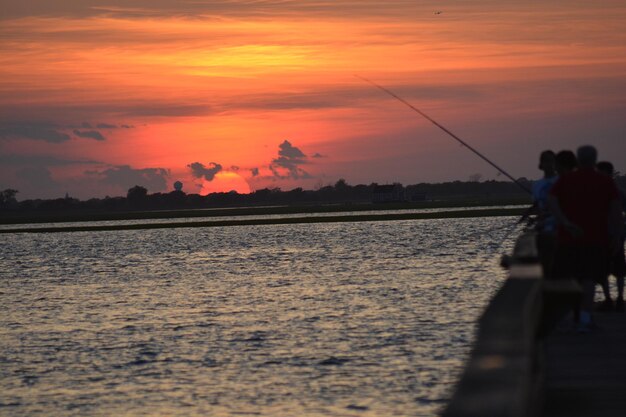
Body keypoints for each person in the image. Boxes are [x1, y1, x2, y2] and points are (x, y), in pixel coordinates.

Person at [548, 145, 623, 332]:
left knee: (571, 279)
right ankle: (585, 319)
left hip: (568, 238)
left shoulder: (566, 180)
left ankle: (572, 318)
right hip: (596, 239)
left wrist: (564, 222)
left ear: (579, 160)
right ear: (595, 160)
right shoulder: (605, 182)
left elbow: (551, 200)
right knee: (589, 279)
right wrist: (618, 235)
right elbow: (616, 211)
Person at [596, 161, 626, 312]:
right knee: (602, 269)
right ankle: (608, 299)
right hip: (601, 236)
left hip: (616, 235)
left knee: (619, 269)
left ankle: (619, 298)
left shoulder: (618, 193)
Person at [531, 150, 558, 277]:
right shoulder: (537, 185)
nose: (549, 164)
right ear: (541, 164)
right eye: (546, 161)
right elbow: (537, 206)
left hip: (560, 230)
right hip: (544, 231)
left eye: (552, 161)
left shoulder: (561, 180)